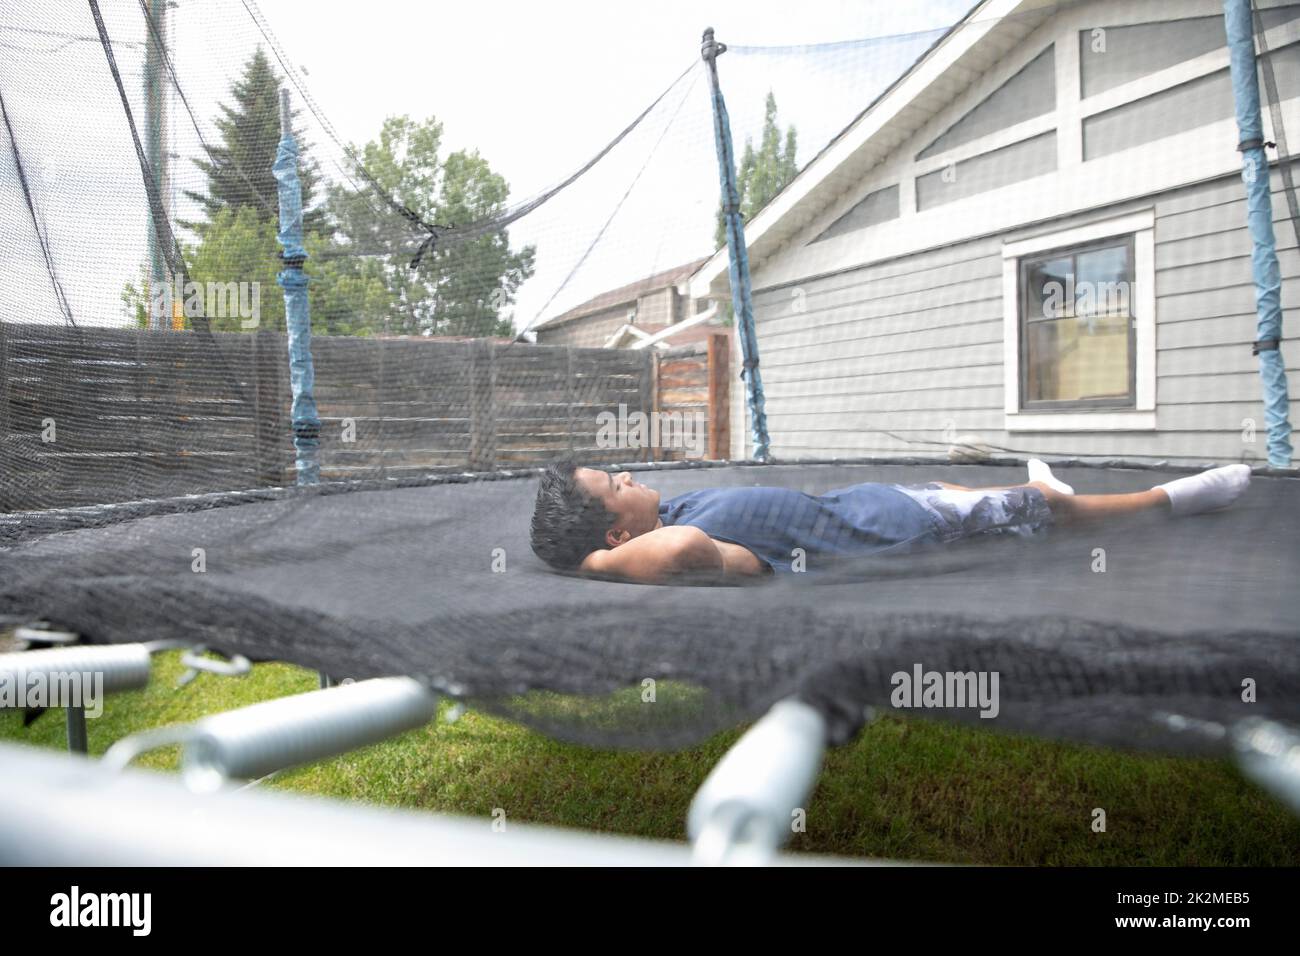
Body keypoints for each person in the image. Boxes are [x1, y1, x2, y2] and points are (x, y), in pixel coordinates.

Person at [528, 458, 1253, 583]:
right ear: (616, 535)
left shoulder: (675, 509)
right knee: (1048, 513)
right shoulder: (687, 544)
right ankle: (1175, 498)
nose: (626, 475)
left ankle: (1040, 487)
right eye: (613, 484)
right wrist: (590, 563)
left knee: (970, 487)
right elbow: (685, 551)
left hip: (886, 500)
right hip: (910, 532)